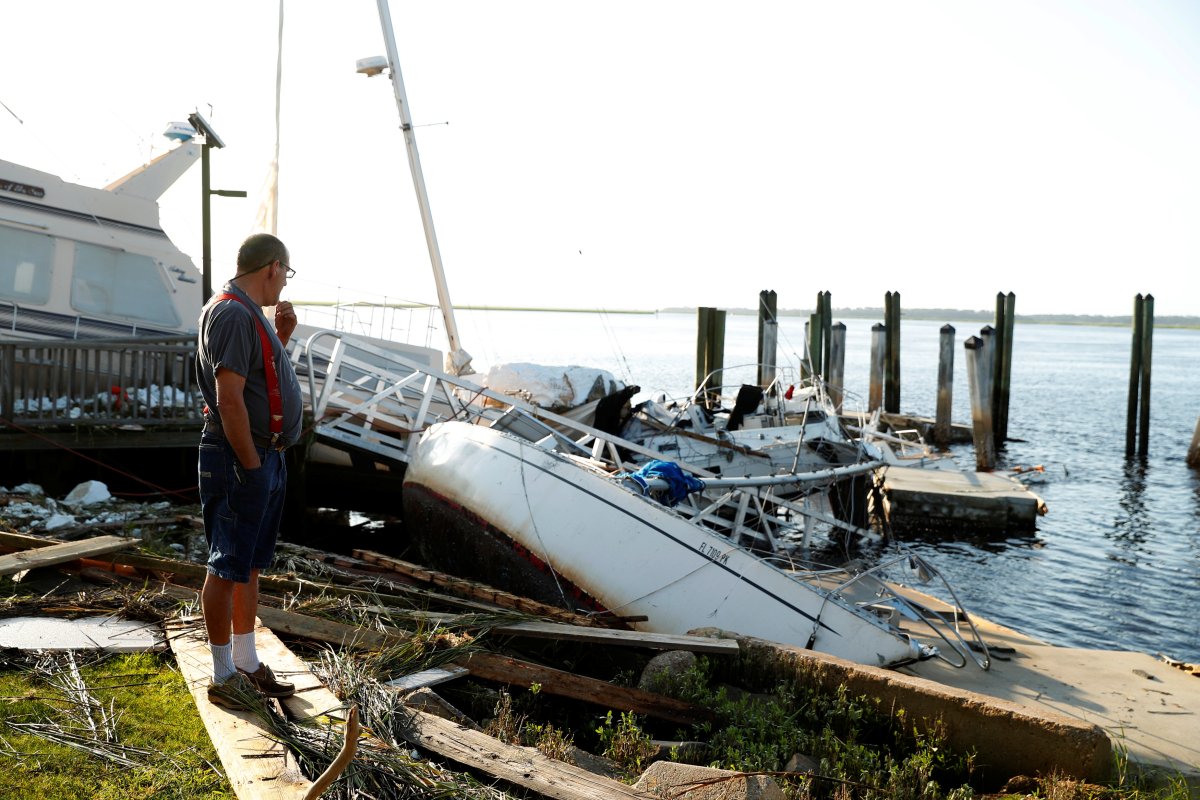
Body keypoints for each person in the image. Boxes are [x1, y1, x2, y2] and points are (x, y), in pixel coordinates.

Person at [195, 233, 303, 710]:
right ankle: (223, 675)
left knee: (248, 564)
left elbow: (257, 379)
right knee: (226, 564)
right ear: (273, 268)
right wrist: (253, 465)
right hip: (244, 457)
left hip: (263, 455)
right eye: (286, 273)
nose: (284, 283)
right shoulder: (233, 313)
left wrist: (281, 340)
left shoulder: (244, 313)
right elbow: (230, 397)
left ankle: (246, 662)